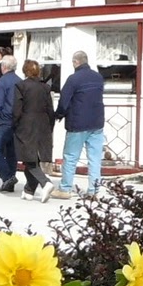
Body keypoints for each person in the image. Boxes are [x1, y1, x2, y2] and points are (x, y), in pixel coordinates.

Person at [54, 49, 105, 198]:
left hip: (77, 124)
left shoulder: (73, 79)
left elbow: (64, 101)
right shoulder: (98, 77)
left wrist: (58, 115)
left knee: (70, 157)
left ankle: (65, 189)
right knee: (94, 159)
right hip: (97, 123)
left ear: (76, 62)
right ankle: (93, 191)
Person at [13, 58, 56, 201]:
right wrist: (50, 126)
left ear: (25, 71)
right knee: (34, 158)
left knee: (29, 159)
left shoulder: (21, 86)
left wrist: (14, 124)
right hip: (43, 124)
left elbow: (17, 110)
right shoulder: (45, 87)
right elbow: (50, 109)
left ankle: (45, 183)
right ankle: (29, 190)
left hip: (26, 124)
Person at [0, 55, 19, 192]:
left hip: (3, 121)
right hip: (17, 122)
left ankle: (7, 177)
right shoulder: (20, 81)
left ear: (3, 67)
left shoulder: (1, 82)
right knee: (11, 152)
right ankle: (10, 181)